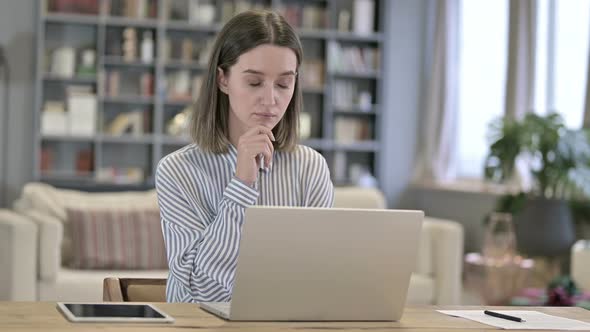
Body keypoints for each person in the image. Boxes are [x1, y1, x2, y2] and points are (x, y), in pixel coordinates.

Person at [155, 10, 334, 303]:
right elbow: (201, 290)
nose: (270, 100)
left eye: (283, 84)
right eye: (254, 82)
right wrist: (241, 185)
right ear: (223, 80)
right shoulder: (177, 171)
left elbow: (320, 281)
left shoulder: (309, 168)